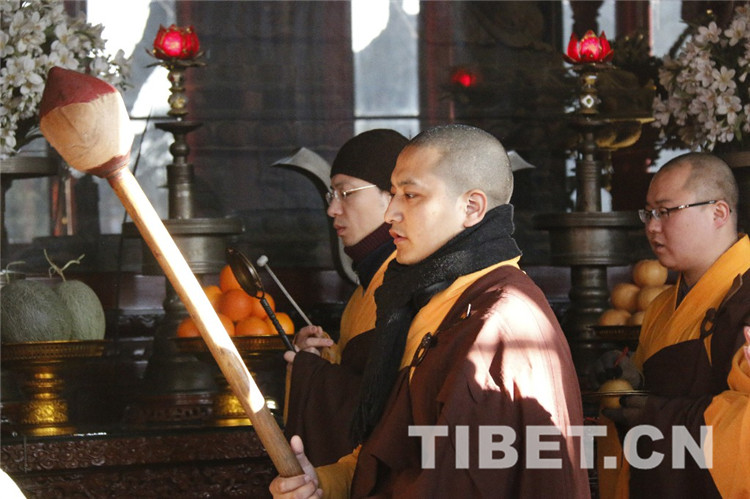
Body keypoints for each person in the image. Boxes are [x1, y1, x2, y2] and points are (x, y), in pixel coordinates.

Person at [271, 124, 590, 498]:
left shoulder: (498, 324)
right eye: (393, 194)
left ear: (471, 207)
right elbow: (392, 456)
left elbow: (462, 485)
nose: (391, 213)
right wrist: (322, 484)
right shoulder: (433, 304)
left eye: (410, 195)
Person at [601, 152, 750, 498]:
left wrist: (656, 416)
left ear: (718, 213)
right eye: (648, 214)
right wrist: (631, 382)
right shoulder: (661, 306)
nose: (652, 227)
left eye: (666, 212)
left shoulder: (744, 298)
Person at [284, 129, 408, 467]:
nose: (332, 209)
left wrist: (314, 374)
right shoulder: (365, 288)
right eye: (331, 194)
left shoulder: (406, 283)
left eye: (345, 193)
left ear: (393, 196)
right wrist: (317, 360)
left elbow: (391, 410)